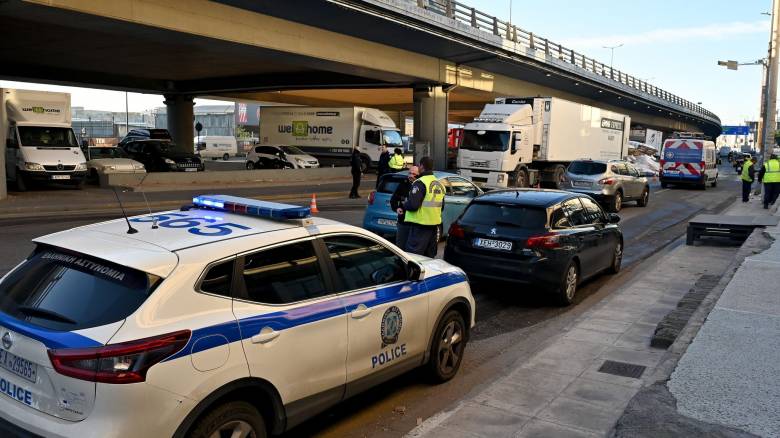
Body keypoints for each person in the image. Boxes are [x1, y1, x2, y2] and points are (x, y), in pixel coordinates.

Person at [403, 157, 445, 257]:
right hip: (434, 227)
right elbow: (442, 206)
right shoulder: (439, 184)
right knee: (428, 257)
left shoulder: (420, 182)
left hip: (420, 226)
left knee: (413, 257)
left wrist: (404, 204)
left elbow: (413, 205)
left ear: (421, 166)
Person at [391, 166, 419, 250]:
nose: (411, 175)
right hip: (403, 222)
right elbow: (393, 199)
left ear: (418, 175)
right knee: (400, 247)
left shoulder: (420, 186)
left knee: (413, 249)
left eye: (414, 174)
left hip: (416, 223)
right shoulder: (403, 184)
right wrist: (396, 208)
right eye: (410, 173)